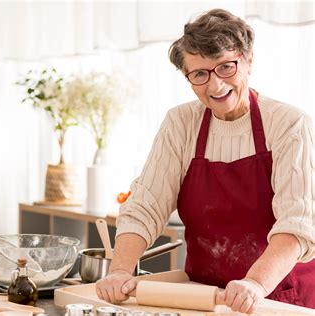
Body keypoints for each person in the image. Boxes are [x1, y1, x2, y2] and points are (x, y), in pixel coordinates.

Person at [96, 8, 315, 312]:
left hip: (276, 295)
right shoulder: (181, 123)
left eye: (226, 67)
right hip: (203, 296)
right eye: (200, 74)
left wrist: (254, 283)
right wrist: (119, 271)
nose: (215, 86)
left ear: (248, 60)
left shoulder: (289, 124)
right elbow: (145, 206)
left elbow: (298, 223)